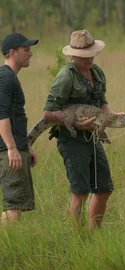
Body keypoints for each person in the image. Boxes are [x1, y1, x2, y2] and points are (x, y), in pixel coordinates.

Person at [43, 30, 125, 230]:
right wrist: (79, 125)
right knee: (80, 192)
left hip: (93, 138)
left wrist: (111, 115)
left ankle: (93, 235)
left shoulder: (97, 72)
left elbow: (102, 101)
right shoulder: (65, 77)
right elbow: (48, 113)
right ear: (73, 55)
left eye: (92, 54)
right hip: (72, 139)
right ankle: (78, 241)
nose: (89, 59)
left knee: (104, 189)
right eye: (84, 56)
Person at [0, 33, 38, 226]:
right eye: (26, 50)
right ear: (12, 52)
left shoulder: (9, 77)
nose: (30, 54)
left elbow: (15, 118)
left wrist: (25, 146)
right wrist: (12, 148)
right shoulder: (6, 77)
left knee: (17, 206)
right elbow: (1, 115)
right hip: (8, 152)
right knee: (13, 207)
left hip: (15, 148)